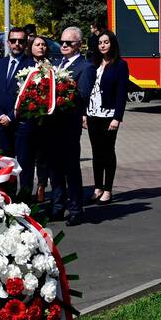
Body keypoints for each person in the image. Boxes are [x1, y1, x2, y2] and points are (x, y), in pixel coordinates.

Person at [50, 26, 97, 225]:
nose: (64, 46)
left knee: (70, 168)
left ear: (78, 45)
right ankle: (58, 206)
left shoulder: (85, 67)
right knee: (55, 168)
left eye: (69, 43)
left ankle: (76, 209)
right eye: (62, 42)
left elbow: (82, 96)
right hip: (52, 124)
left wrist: (60, 92)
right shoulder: (55, 64)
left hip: (69, 124)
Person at [87, 30, 129, 204]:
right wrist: (83, 113)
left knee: (107, 151)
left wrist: (117, 118)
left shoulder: (120, 65)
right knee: (96, 152)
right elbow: (86, 89)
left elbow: (121, 93)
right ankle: (97, 187)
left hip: (108, 115)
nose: (103, 45)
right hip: (92, 113)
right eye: (100, 43)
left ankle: (108, 189)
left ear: (112, 44)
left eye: (106, 42)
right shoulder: (93, 63)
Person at [15, 34, 52, 205]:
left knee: (43, 157)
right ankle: (25, 190)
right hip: (27, 119)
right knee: (26, 159)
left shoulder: (51, 66)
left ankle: (42, 187)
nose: (41, 47)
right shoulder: (24, 65)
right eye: (37, 44)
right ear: (30, 47)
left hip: (46, 120)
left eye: (44, 44)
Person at [0, 25, 28, 157]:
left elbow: (29, 98)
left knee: (23, 167)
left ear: (26, 43)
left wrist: (11, 117)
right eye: (13, 41)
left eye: (21, 41)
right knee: (5, 167)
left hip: (21, 125)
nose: (16, 44)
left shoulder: (32, 66)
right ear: (8, 43)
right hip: (1, 125)